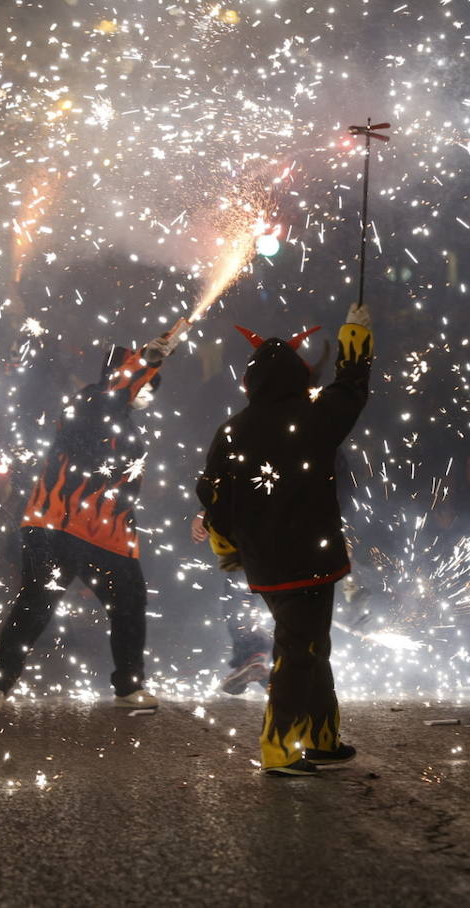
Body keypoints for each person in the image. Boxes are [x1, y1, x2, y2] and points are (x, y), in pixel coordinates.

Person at [196, 304, 372, 776]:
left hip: (265, 565)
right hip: (312, 560)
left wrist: (226, 548)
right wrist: (354, 334)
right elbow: (351, 388)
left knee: (309, 644)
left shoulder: (231, 430)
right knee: (300, 649)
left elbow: (213, 494)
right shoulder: (314, 419)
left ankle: (321, 737)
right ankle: (279, 746)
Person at [0, 333, 175, 712]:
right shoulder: (89, 401)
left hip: (109, 535)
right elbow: (111, 399)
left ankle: (129, 686)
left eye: (152, 385)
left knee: (130, 603)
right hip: (57, 525)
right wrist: (146, 361)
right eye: (145, 383)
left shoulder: (129, 426)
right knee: (36, 603)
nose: (149, 392)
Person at [191, 509, 273, 694]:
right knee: (288, 607)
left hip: (255, 529)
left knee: (239, 597)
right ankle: (285, 671)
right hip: (290, 529)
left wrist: (206, 513)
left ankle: (256, 657)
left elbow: (231, 483)